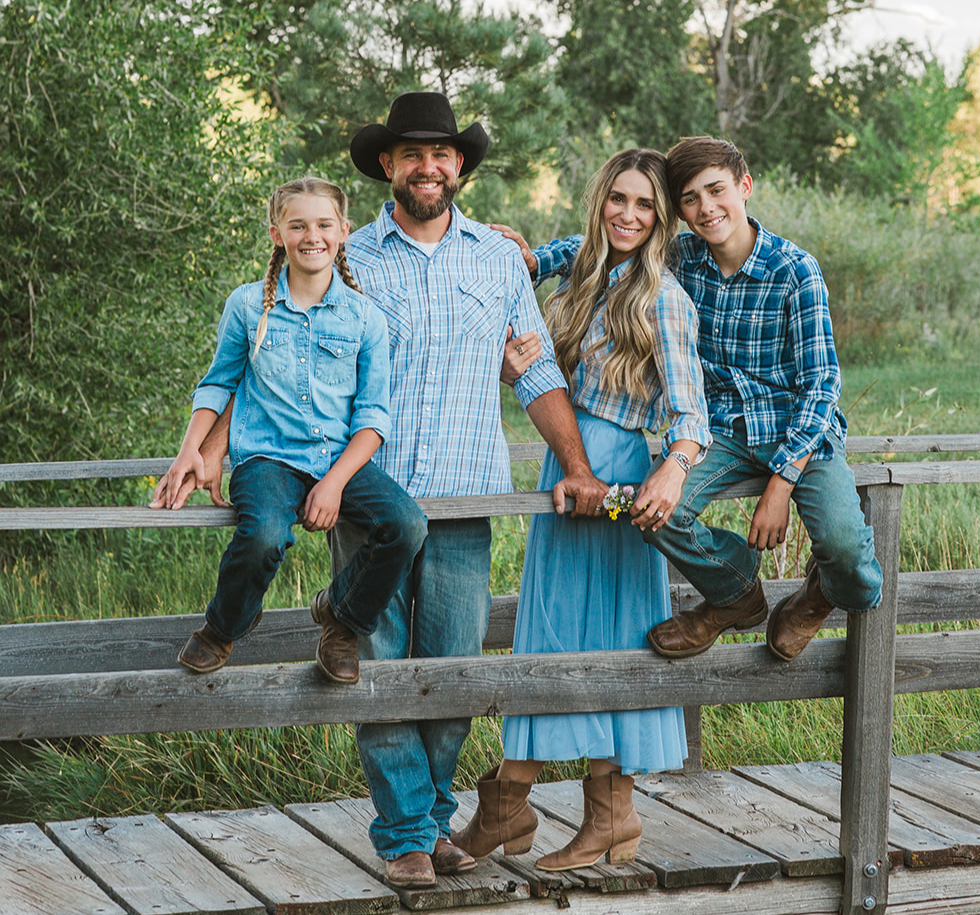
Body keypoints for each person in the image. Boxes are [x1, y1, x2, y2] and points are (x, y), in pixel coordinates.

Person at [155, 92, 605, 889]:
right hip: (372, 492)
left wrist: (574, 464)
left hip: (469, 496)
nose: (427, 166)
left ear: (459, 166)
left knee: (454, 669)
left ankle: (433, 821)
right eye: (411, 154)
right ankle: (403, 832)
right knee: (378, 661)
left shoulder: (500, 259)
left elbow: (533, 370)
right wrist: (206, 448)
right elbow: (264, 368)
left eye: (442, 153)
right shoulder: (348, 256)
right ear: (388, 167)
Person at [500, 136, 882, 665]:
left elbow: (822, 387)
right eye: (690, 198)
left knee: (846, 551)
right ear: (678, 211)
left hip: (799, 432)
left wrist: (780, 484)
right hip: (719, 430)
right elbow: (604, 242)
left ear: (745, 188)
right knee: (657, 511)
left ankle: (820, 595)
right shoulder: (683, 257)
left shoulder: (795, 271)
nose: (706, 208)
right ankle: (735, 593)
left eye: (717, 191)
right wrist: (532, 261)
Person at [453, 148, 710, 872]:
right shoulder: (582, 278)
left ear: (661, 220)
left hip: (620, 483)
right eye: (617, 200)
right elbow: (539, 364)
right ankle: (564, 811)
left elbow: (692, 413)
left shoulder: (664, 297)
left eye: (645, 206)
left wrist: (672, 468)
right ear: (599, 202)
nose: (628, 215)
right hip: (566, 471)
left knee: (609, 636)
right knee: (550, 631)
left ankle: (570, 812)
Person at [151, 177, 427, 685]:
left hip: (338, 460)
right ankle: (224, 626)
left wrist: (335, 483)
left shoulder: (364, 317)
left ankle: (341, 620)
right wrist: (191, 449)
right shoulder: (247, 305)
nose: (311, 235)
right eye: (297, 225)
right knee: (263, 537)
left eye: (324, 224)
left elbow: (372, 418)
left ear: (344, 231)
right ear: (277, 234)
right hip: (267, 459)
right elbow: (218, 383)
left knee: (406, 525)